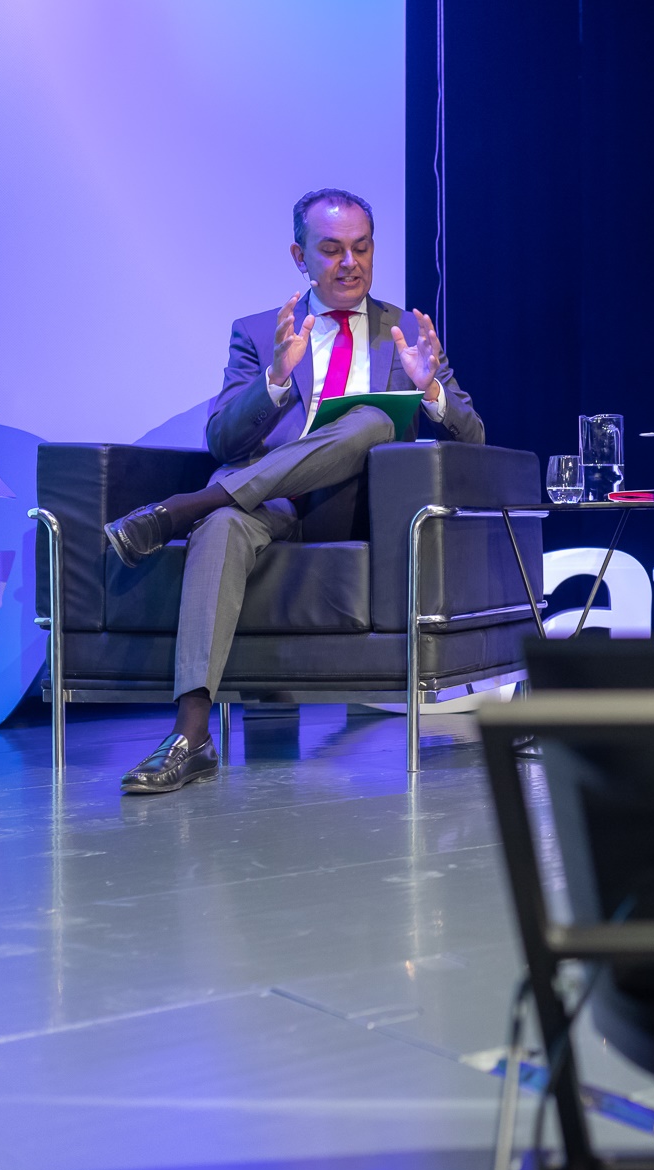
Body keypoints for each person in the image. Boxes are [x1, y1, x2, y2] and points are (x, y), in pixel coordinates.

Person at [100, 189, 484, 793]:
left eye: (361, 248)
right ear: (299, 255)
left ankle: (186, 508)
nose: (349, 262)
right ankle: (191, 733)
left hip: (357, 510)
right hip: (266, 502)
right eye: (331, 249)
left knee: (373, 422)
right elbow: (224, 437)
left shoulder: (406, 330)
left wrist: (430, 390)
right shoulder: (259, 332)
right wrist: (277, 380)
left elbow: (474, 433)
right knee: (223, 526)